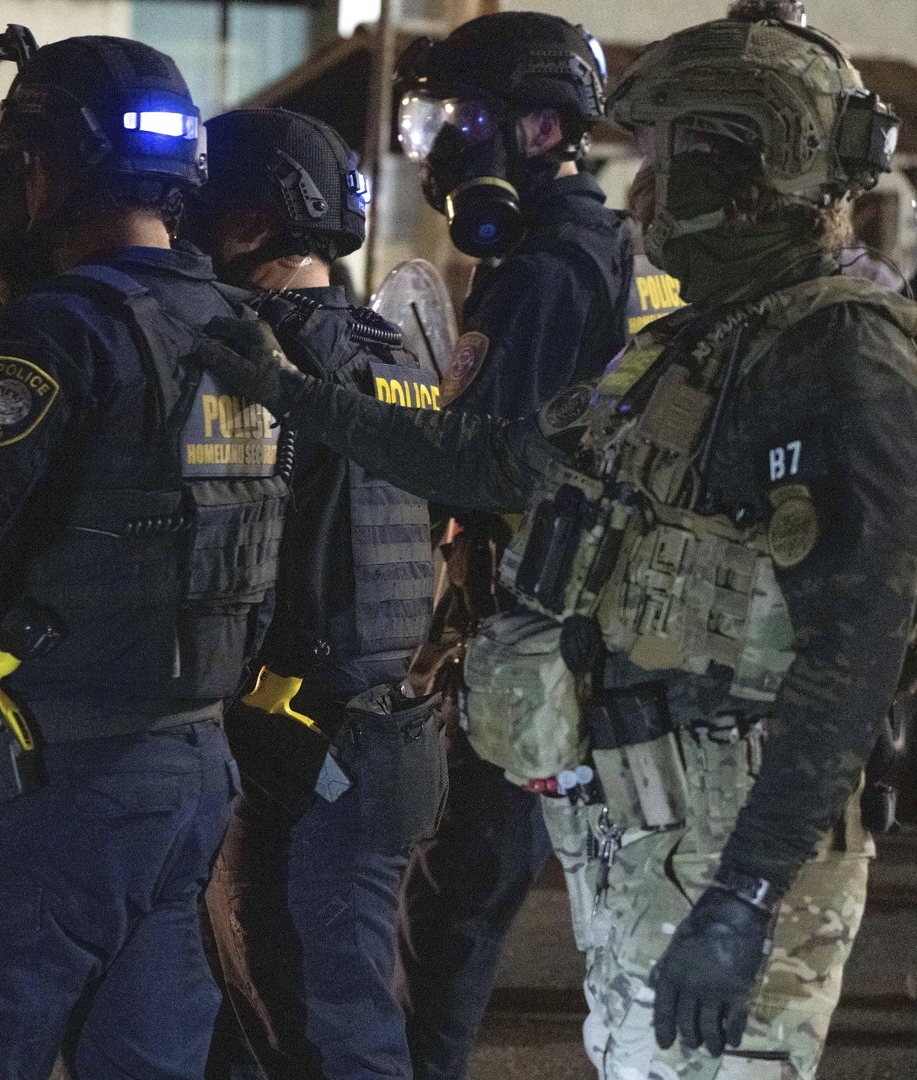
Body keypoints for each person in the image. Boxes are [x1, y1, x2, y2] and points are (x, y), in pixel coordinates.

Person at [192, 4, 916, 1076]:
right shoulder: (691, 345)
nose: (648, 190)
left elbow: (853, 652)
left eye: (673, 157)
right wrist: (293, 398)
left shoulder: (842, 354)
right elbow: (500, 462)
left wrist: (750, 893)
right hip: (646, 840)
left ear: (758, 164)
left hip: (732, 857)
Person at [0, 32, 279, 1078]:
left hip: (52, 781)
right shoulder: (238, 324)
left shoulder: (51, 332)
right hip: (198, 773)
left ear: (50, 166)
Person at [389, 15, 632, 1077]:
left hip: (538, 638)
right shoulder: (613, 244)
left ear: (540, 128)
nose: (440, 144)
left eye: (460, 119)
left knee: (450, 915)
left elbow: (474, 464)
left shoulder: (542, 271)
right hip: (596, 632)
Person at [189, 108, 443, 1080]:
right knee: (293, 1012)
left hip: (302, 749)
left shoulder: (267, 362)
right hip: (388, 739)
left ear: (251, 224)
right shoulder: (395, 351)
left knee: (324, 1023)